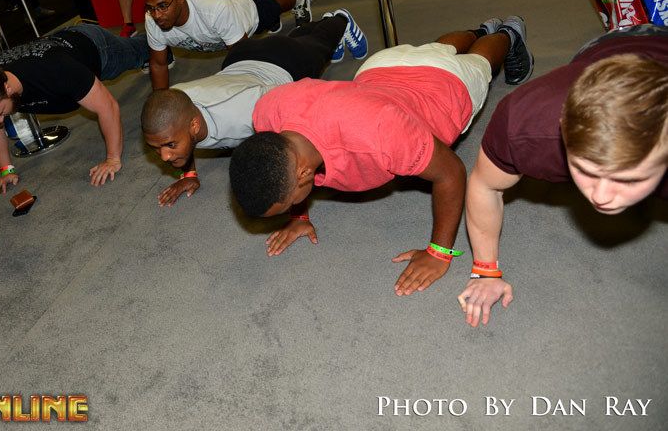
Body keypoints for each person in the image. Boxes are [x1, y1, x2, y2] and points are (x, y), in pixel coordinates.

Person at [229, 17, 534, 295]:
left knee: (480, 60)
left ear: (303, 175)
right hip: (380, 66)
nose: (289, 210)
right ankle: (478, 29)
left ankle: (507, 33)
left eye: (288, 205)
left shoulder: (379, 136)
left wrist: (439, 253)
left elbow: (451, 172)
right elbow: (285, 163)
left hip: (444, 84)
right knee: (434, 50)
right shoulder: (267, 110)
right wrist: (298, 216)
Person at [457, 25, 668, 328]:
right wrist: (485, 270)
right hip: (607, 46)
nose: (600, 196)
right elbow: (485, 185)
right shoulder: (524, 123)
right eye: (585, 170)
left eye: (629, 180)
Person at [141, 8, 363, 206]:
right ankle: (304, 32)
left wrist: (298, 214)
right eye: (157, 148)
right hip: (239, 57)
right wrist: (188, 173)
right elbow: (177, 127)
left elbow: (298, 130)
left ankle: (339, 19)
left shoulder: (248, 114)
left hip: (284, 63)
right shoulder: (177, 103)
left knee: (319, 45)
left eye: (170, 145)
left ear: (195, 125)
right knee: (298, 41)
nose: (165, 157)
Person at [0, 24, 150, 194]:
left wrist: (112, 160)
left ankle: (159, 34)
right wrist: (7, 171)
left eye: (1, 114)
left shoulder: (55, 70)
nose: (0, 121)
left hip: (94, 46)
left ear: (7, 89)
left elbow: (108, 107)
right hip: (62, 49)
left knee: (140, 52)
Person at [144, 0, 319, 89]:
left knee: (275, 6)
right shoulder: (152, 19)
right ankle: (271, 20)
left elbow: (242, 58)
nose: (157, 15)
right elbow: (158, 64)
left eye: (163, 6)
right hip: (221, 5)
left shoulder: (215, 10)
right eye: (151, 8)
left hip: (247, 4)